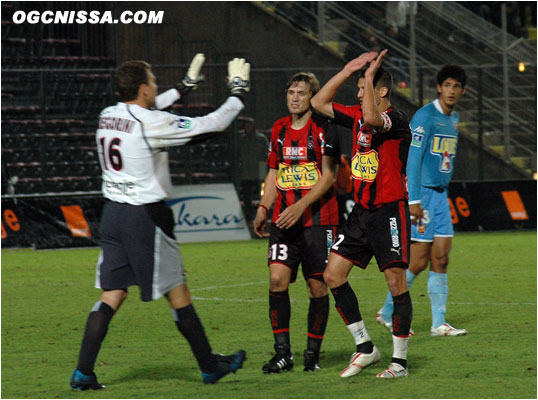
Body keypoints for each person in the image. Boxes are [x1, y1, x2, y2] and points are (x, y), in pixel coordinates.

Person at [70, 54, 251, 390]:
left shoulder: (108, 115)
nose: (156, 86)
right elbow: (210, 125)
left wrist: (183, 88)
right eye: (152, 82)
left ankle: (83, 372)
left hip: (113, 214)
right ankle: (210, 366)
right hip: (145, 217)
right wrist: (237, 93)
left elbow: (148, 110)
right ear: (142, 89)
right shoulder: (150, 123)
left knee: (112, 294)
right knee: (177, 290)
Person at [311, 50, 413, 379]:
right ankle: (366, 347)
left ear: (382, 91)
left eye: (362, 88)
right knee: (332, 276)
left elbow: (372, 119)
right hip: (361, 214)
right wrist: (349, 69)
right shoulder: (355, 114)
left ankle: (400, 362)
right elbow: (318, 103)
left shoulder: (396, 121)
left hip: (389, 212)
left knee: (396, 283)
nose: (356, 94)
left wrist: (369, 78)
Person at [253, 72, 340, 373]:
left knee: (317, 287)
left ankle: (312, 355)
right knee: (277, 280)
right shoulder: (278, 129)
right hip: (283, 220)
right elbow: (274, 174)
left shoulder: (324, 129)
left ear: (312, 97)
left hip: (320, 221)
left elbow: (329, 176)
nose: (294, 98)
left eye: (301, 93)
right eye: (291, 92)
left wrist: (301, 205)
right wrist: (264, 206)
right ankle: (282, 353)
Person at [377, 65, 468, 337]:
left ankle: (438, 324)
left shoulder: (454, 120)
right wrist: (413, 200)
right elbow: (413, 160)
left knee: (441, 257)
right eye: (447, 85)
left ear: (462, 91)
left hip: (441, 196)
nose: (451, 91)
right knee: (417, 262)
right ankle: (386, 312)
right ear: (439, 87)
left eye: (456, 86)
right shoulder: (424, 117)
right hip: (423, 194)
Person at [238, 116, 269, 222]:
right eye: (246, 126)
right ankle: (249, 217)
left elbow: (267, 154)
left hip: (260, 171)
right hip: (246, 171)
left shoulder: (261, 138)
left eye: (249, 126)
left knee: (263, 195)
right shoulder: (241, 139)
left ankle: (264, 215)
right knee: (247, 196)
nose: (247, 128)